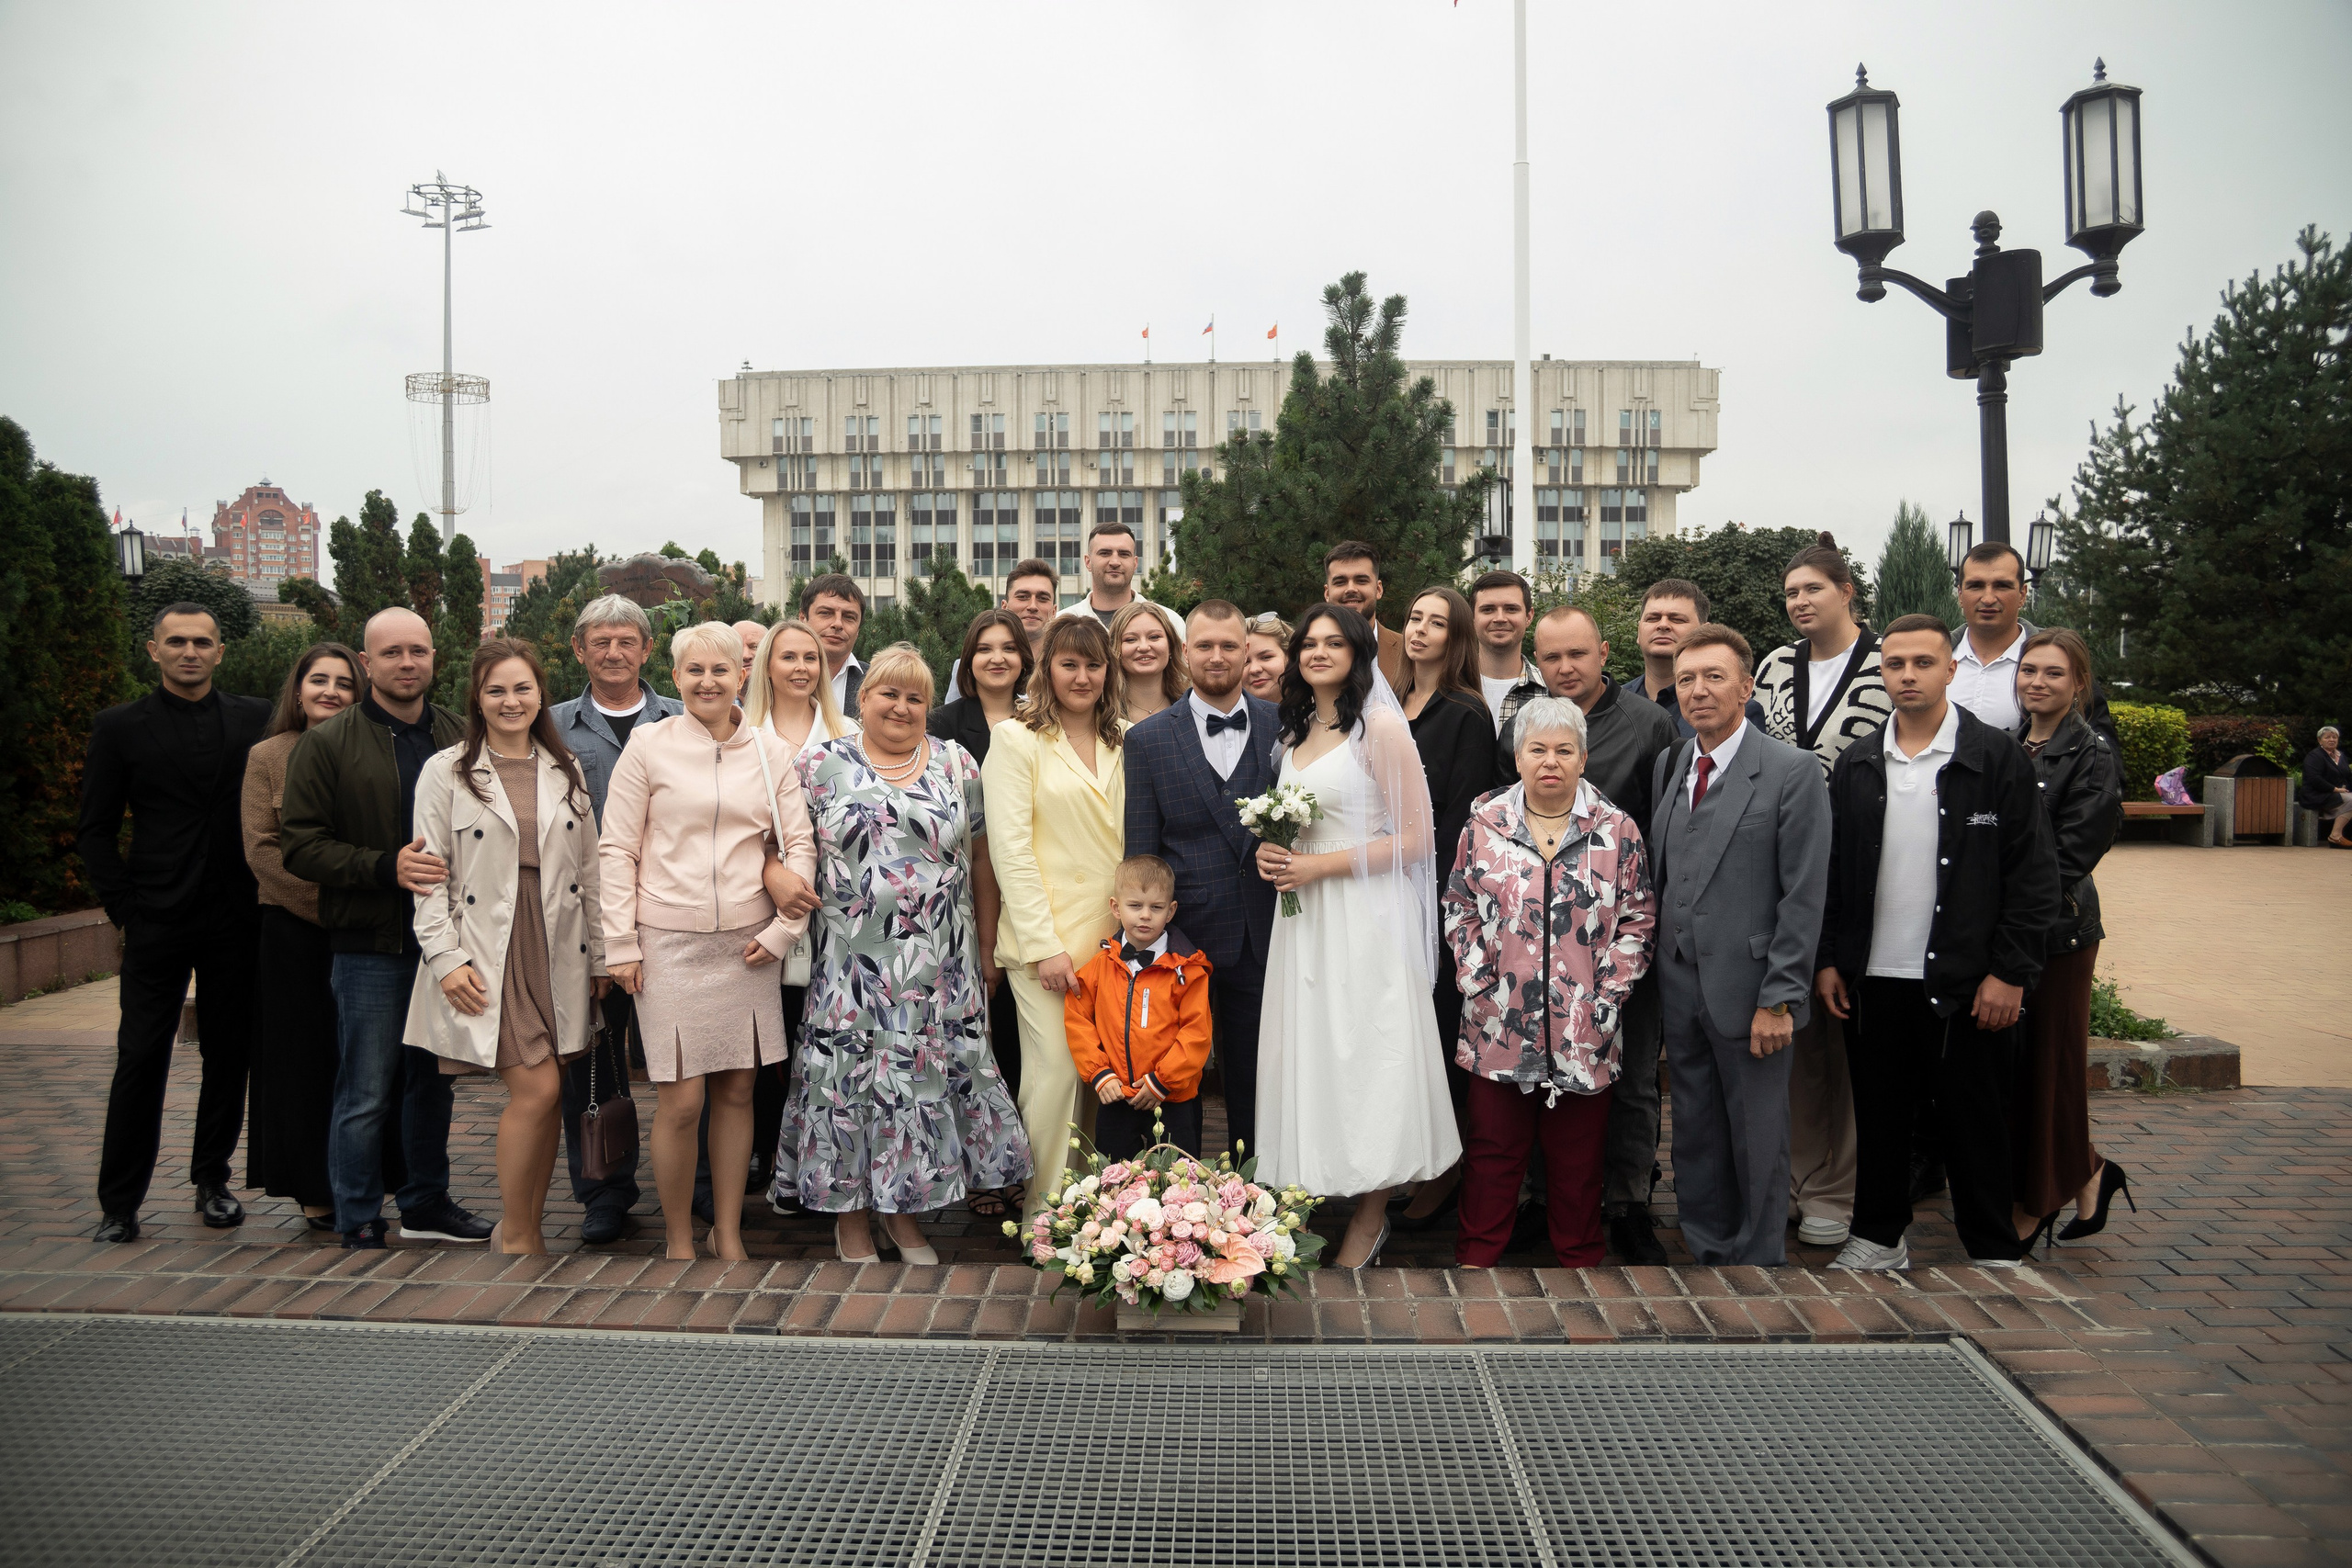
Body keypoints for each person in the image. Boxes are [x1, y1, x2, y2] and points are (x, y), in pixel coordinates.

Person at [1815, 615, 2060, 1269]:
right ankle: (1877, 1235)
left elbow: (2034, 877)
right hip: (1874, 977)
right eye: (1895, 664)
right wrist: (1833, 959)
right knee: (1881, 1115)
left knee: (1974, 1118)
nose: (1908, 675)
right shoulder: (1860, 762)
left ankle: (1991, 1244)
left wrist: (2009, 972)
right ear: (1882, 672)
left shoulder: (1994, 757)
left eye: (1923, 662)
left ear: (1950, 668)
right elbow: (1835, 872)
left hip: (1967, 980)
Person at [774, 643, 1030, 1263]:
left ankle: (902, 1212)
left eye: (916, 696)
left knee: (918, 1087)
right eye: (889, 692)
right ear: (862, 699)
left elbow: (981, 861)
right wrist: (773, 874)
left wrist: (988, 949)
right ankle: (851, 1219)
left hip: (939, 964)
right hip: (850, 966)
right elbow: (771, 838)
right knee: (849, 1087)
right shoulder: (818, 765)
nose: (902, 705)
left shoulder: (956, 762)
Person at [599, 620, 817, 1261]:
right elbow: (617, 848)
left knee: (739, 1089)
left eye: (720, 669)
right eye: (694, 670)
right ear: (674, 677)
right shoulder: (648, 746)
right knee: (682, 1096)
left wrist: (784, 931)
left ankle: (727, 1229)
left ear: (741, 675)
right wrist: (621, 944)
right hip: (666, 941)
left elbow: (799, 844)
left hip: (748, 943)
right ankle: (675, 1233)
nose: (707, 681)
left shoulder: (769, 752)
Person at [1254, 604, 1462, 1269]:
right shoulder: (1294, 731)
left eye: (1332, 642)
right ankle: (1303, 1193)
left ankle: (1371, 1216)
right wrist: (1274, 852)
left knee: (1369, 1058)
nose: (1317, 652)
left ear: (1356, 653)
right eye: (1307, 643)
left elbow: (1418, 838)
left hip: (1365, 914)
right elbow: (1296, 822)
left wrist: (1319, 864)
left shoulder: (1380, 729)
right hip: (1304, 922)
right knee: (1311, 1055)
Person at [281, 607, 490, 1249]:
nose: (408, 663)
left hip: (447, 948)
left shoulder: (461, 736)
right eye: (393, 652)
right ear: (367, 664)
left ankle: (426, 1202)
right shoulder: (328, 742)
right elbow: (299, 846)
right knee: (366, 1088)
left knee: (433, 1087)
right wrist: (381, 865)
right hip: (371, 945)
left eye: (418, 650)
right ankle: (358, 1213)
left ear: (435, 657)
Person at [401, 641, 607, 1254]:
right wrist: (446, 958)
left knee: (551, 1093)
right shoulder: (447, 770)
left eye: (522, 688)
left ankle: (531, 1228)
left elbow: (590, 872)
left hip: (559, 945)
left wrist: (598, 958)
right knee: (538, 1090)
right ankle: (515, 1233)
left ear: (541, 693)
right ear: (477, 698)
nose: (511, 701)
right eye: (496, 690)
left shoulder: (565, 765)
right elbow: (428, 872)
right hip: (489, 945)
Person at [79, 604, 272, 1243]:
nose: (190, 651)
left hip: (236, 916)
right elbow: (96, 830)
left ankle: (211, 1179)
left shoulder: (254, 718)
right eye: (177, 641)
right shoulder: (118, 728)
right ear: (153, 649)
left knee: (228, 1055)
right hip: (157, 918)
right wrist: (125, 909)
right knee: (140, 1056)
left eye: (202, 642)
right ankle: (120, 1201)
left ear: (220, 651)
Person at [1492, 605, 1679, 1263]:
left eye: (1578, 654)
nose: (1565, 668)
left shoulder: (1651, 725)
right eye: (1552, 657)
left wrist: (1631, 943)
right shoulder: (1526, 723)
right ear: (1536, 660)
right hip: (1537, 947)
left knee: (1625, 1081)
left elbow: (1663, 827)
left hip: (1618, 939)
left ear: (1603, 652)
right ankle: (1546, 1204)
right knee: (1543, 1073)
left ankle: (1627, 1203)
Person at [1443, 696, 1657, 1267]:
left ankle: (1580, 1261)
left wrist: (1607, 997)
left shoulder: (1616, 829)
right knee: (1492, 1154)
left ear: (1583, 758)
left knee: (1578, 1161)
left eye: (1564, 750)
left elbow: (1637, 916)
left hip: (1584, 1027)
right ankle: (1476, 1259)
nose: (1550, 762)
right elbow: (1459, 905)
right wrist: (1477, 981)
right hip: (1498, 1022)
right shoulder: (1484, 823)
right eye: (1537, 749)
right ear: (1518, 757)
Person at [1646, 624, 1832, 1267]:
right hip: (1680, 981)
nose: (1698, 690)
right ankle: (1706, 1239)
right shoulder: (1672, 763)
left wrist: (1781, 996)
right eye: (1687, 678)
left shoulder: (1791, 771)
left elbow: (1804, 894)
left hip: (1752, 988)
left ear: (1746, 686)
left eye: (1714, 677)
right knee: (1694, 1125)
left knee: (1756, 1130)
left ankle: (1755, 1254)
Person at [1752, 533, 1890, 1252]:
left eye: (1812, 589)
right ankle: (1800, 1179)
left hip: (1859, 866)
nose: (1800, 602)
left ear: (1847, 592)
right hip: (1783, 865)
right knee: (1798, 1036)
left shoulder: (1882, 661)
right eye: (1791, 593)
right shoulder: (1775, 665)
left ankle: (1840, 1185)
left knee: (1844, 1035)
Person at [1123, 601, 1282, 1159]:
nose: (1217, 657)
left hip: (1264, 934)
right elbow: (1140, 852)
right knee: (1173, 1078)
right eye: (1205, 646)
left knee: (1254, 1074)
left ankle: (1254, 1194)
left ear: (1247, 653)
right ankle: (1173, 1193)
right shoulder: (1146, 740)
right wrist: (1142, 943)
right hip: (1181, 940)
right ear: (1185, 652)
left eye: (1229, 646)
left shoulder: (1281, 726)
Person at [983, 615, 1126, 1215]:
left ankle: (1091, 1212)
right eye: (1069, 663)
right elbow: (1009, 849)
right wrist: (1045, 944)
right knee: (1056, 1076)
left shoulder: (1128, 735)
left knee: (1104, 1082)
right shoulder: (1017, 739)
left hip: (1115, 940)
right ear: (1047, 669)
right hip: (1047, 944)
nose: (1082, 675)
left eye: (1094, 664)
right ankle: (1043, 1214)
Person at [548, 594, 681, 1244]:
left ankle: (701, 1182)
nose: (613, 652)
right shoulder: (552, 727)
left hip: (676, 918)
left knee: (687, 1062)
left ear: (648, 649)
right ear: (579, 650)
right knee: (594, 1063)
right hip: (588, 922)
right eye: (599, 641)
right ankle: (604, 1188)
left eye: (626, 640)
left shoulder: (687, 718)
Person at [732, 617, 860, 1210]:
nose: (802, 667)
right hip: (755, 906)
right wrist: (768, 867)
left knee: (816, 1040)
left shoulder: (848, 734)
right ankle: (762, 1154)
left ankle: (813, 1156)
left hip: (832, 911)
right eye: (788, 657)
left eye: (812, 657)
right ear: (767, 667)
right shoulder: (741, 734)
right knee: (764, 1040)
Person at [2014, 629, 2131, 1243]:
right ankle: (2088, 1171)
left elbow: (2071, 855)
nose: (2036, 681)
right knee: (2023, 1067)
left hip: (2058, 931)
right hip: (2004, 927)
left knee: (2050, 1066)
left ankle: (2035, 1201)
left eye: (2053, 673)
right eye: (2029, 670)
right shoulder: (2011, 743)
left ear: (2078, 683)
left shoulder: (2092, 753)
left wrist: (2010, 913)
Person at [240, 640, 361, 1231]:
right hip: (295, 934)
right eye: (319, 680)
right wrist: (328, 905)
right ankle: (313, 1188)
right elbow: (263, 850)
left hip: (366, 928)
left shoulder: (370, 750)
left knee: (358, 1063)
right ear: (299, 688)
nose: (331, 691)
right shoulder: (268, 755)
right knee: (301, 1063)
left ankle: (365, 1178)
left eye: (343, 682)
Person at [1395, 585, 1497, 1224]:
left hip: (1432, 894)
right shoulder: (1388, 701)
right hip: (1378, 889)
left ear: (1456, 637)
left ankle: (1451, 1167)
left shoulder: (1466, 713)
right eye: (1414, 618)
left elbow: (1463, 818)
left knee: (1439, 1028)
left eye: (1436, 622)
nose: (1421, 630)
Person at [931, 608, 1036, 1165]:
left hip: (1035, 892)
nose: (998, 658)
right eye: (985, 648)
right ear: (968, 661)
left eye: (1009, 648)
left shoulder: (1045, 718)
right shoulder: (944, 725)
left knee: (1024, 1040)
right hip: (964, 898)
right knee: (976, 1040)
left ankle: (1027, 1159)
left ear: (1025, 659)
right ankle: (980, 1165)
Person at [1065, 855, 1214, 1161]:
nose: (1145, 916)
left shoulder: (1188, 971)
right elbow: (1077, 1018)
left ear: (1170, 911)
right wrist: (1099, 1073)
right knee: (1114, 1182)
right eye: (1135, 906)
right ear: (1116, 908)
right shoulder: (1098, 967)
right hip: (1117, 1095)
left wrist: (1164, 1080)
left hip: (1172, 1097)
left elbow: (1197, 1032)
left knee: (1178, 1183)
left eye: (1156, 908)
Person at [1951, 541, 2117, 750]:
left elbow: (2103, 752)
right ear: (1960, 594)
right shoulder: (1930, 660)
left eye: (2002, 585)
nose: (1988, 598)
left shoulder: (2061, 659)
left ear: (2022, 595)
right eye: (1976, 585)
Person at [1623, 578, 1767, 739]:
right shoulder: (1613, 701)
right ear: (1638, 631)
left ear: (1703, 631)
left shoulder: (1739, 710)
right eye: (1653, 618)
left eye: (1677, 619)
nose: (1663, 625)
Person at [1056, 520, 1183, 640]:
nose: (1115, 562)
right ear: (1088, 562)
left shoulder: (1169, 622)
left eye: (1124, 554)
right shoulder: (1061, 624)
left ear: (1135, 563)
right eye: (1105, 553)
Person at [1321, 542, 1408, 693]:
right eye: (1340, 582)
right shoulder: (1305, 655)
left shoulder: (1407, 652)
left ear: (1378, 589)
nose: (1351, 589)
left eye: (1361, 580)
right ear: (1327, 593)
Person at [1468, 570, 1540, 737]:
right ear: (1472, 617)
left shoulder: (1551, 692)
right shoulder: (1448, 686)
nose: (1500, 618)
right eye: (1488, 610)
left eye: (1511, 609)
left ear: (1529, 616)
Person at [1109, 598, 1189, 727]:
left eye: (1154, 637)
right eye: (1130, 639)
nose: (1144, 647)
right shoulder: (1102, 712)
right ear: (1115, 649)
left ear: (1171, 646)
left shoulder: (1192, 706)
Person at [800, 572, 866, 718]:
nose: (837, 624)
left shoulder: (876, 682)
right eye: (826, 613)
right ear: (803, 618)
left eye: (849, 617)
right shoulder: (774, 679)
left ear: (858, 630)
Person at [2301, 725, 2352, 849]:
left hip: (2337, 793)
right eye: (2327, 737)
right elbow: (2314, 779)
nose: (2331, 740)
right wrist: (2334, 789)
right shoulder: (2315, 756)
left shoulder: (2340, 756)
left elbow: (2347, 776)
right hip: (2316, 794)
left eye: (2334, 737)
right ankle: (2335, 836)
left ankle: (2337, 836)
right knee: (2351, 800)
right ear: (2319, 740)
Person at [1242, 614, 1293, 703]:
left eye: (1266, 657)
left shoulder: (1320, 711)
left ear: (1290, 656)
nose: (1254, 669)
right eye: (1245, 662)